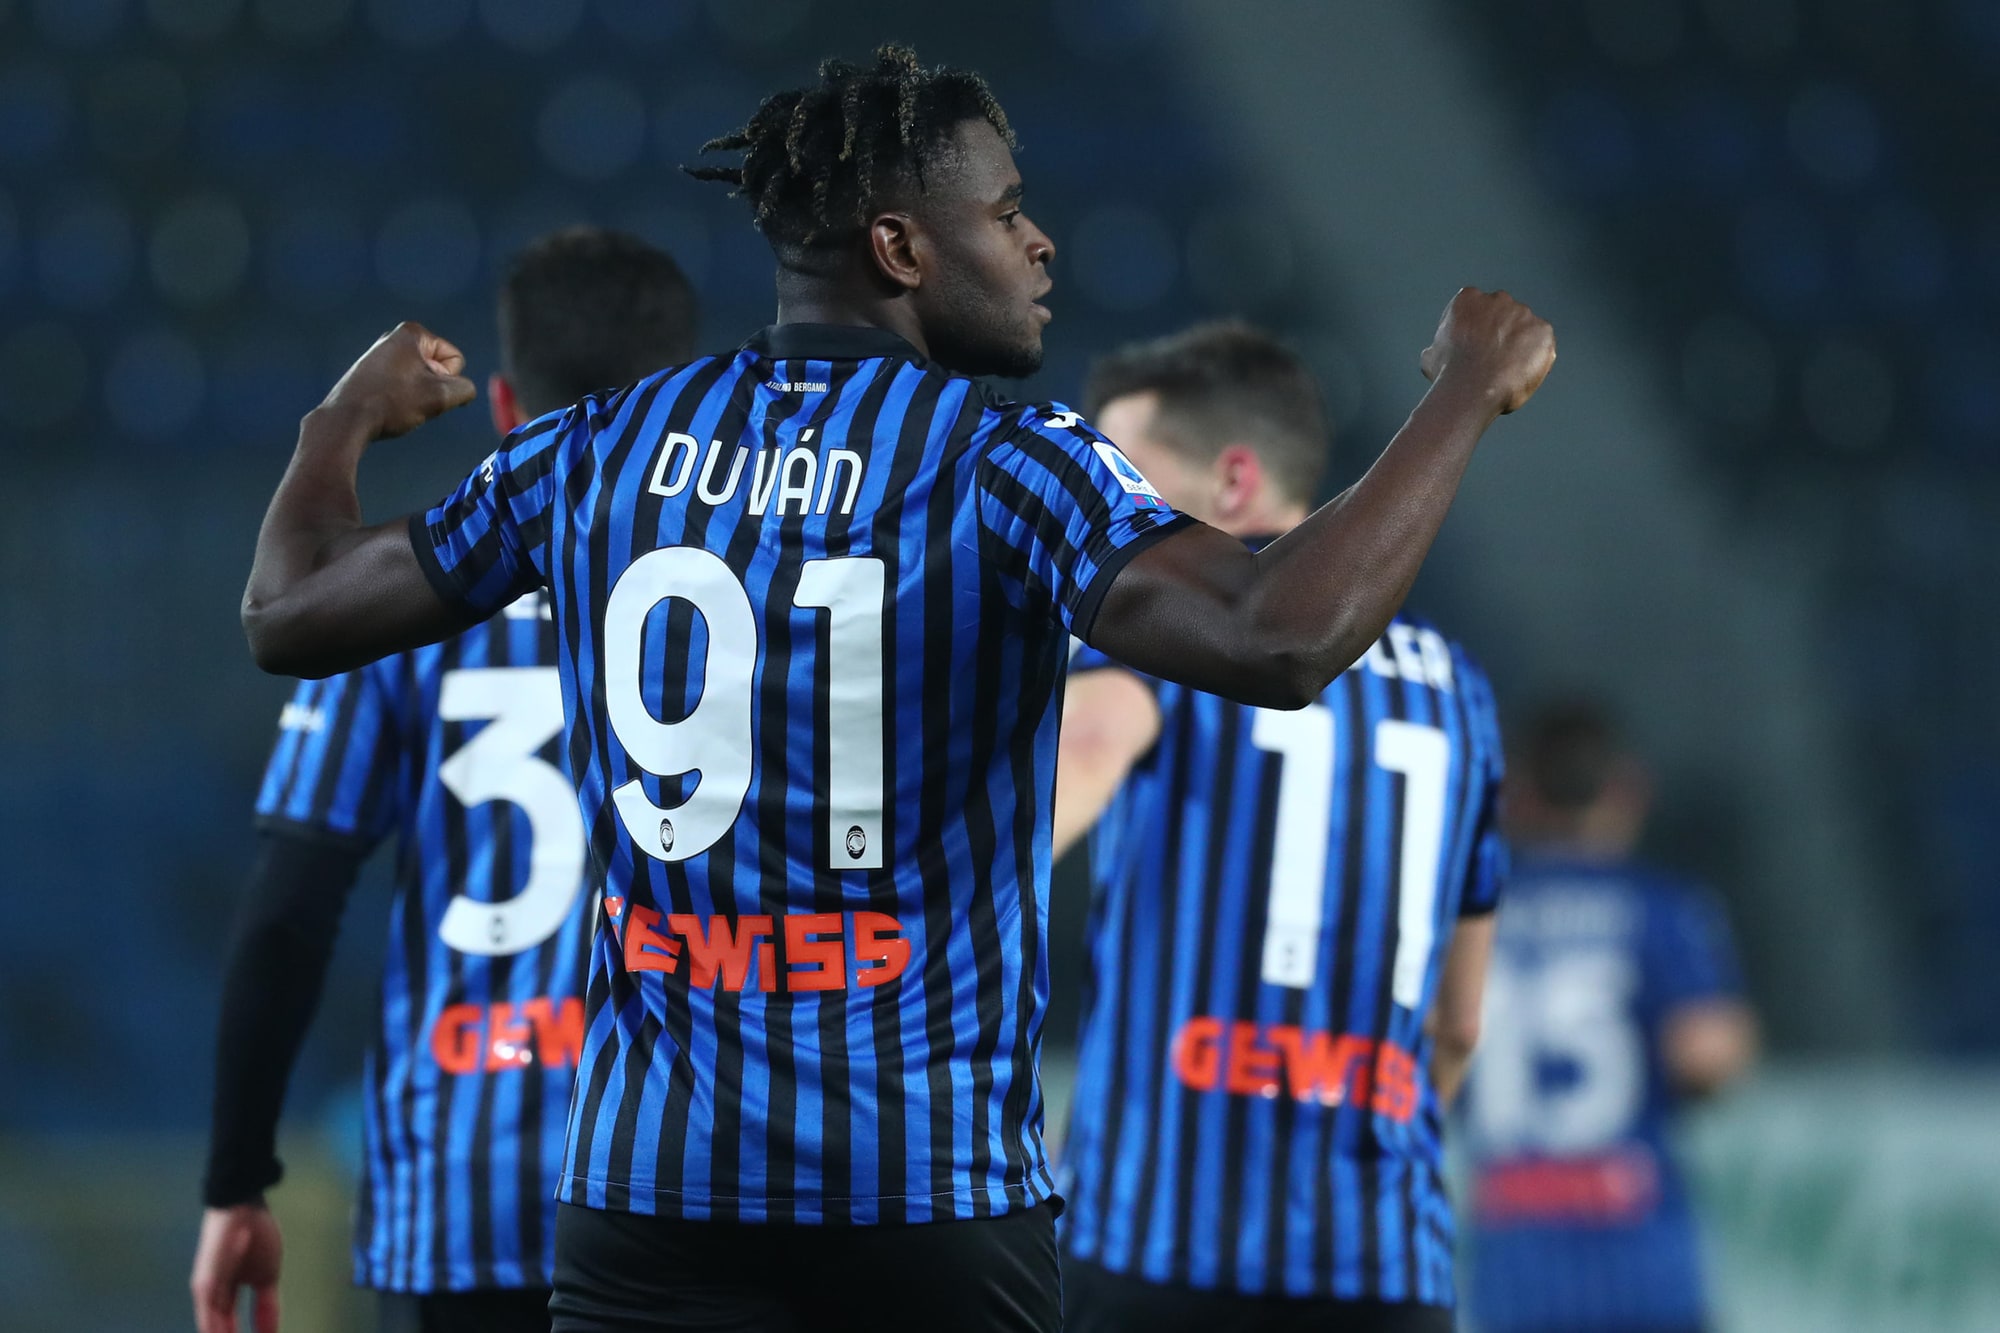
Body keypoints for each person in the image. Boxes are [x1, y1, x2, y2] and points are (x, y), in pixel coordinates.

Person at [235, 45, 1555, 1333]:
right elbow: (1279, 639)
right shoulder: (1006, 461)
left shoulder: (598, 449)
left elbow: (289, 613)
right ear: (901, 249)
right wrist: (1464, 394)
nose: (1038, 245)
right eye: (1005, 212)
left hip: (650, 1187)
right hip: (924, 1191)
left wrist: (337, 421)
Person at [191, 227, 699, 1333]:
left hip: (463, 1200)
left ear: (507, 406)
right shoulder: (752, 604)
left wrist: (237, 1179)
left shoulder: (394, 606)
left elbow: (289, 907)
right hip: (686, 1182)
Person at [1049, 322, 1505, 1333]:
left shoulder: (1165, 631)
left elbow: (1083, 752)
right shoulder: (1458, 690)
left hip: (1155, 1244)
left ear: (1233, 482)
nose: (1102, 510)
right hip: (1383, 1264)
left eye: (1127, 477)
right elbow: (1460, 1023)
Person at [1460, 701, 1757, 1333]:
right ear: (1627, 791)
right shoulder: (1661, 908)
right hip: (1640, 1262)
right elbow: (1707, 1055)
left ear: (1517, 794)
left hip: (1515, 1268)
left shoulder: (1470, 914)